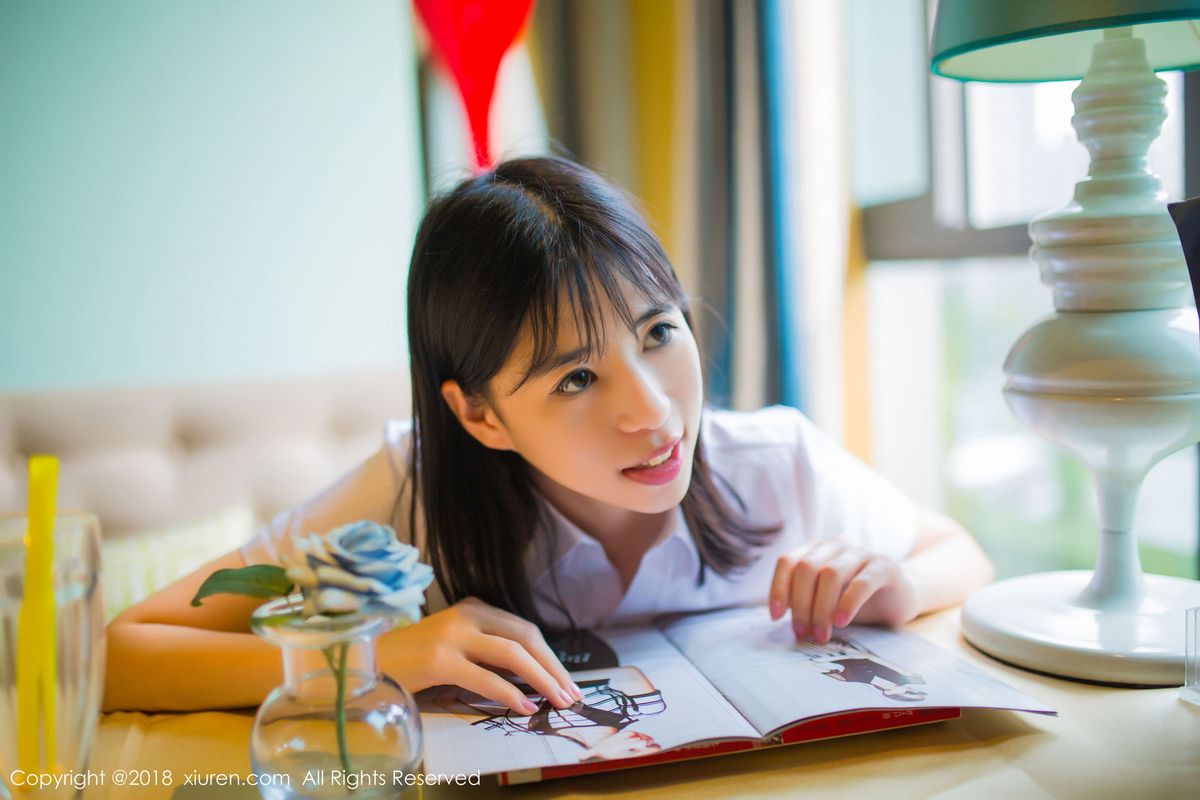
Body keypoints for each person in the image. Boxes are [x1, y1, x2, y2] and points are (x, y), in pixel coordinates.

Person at [103, 155, 993, 714]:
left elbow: (960, 551)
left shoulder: (777, 465)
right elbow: (123, 652)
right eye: (575, 378)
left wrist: (899, 582)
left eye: (658, 333)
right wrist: (381, 653)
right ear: (479, 414)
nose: (652, 412)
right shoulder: (410, 491)